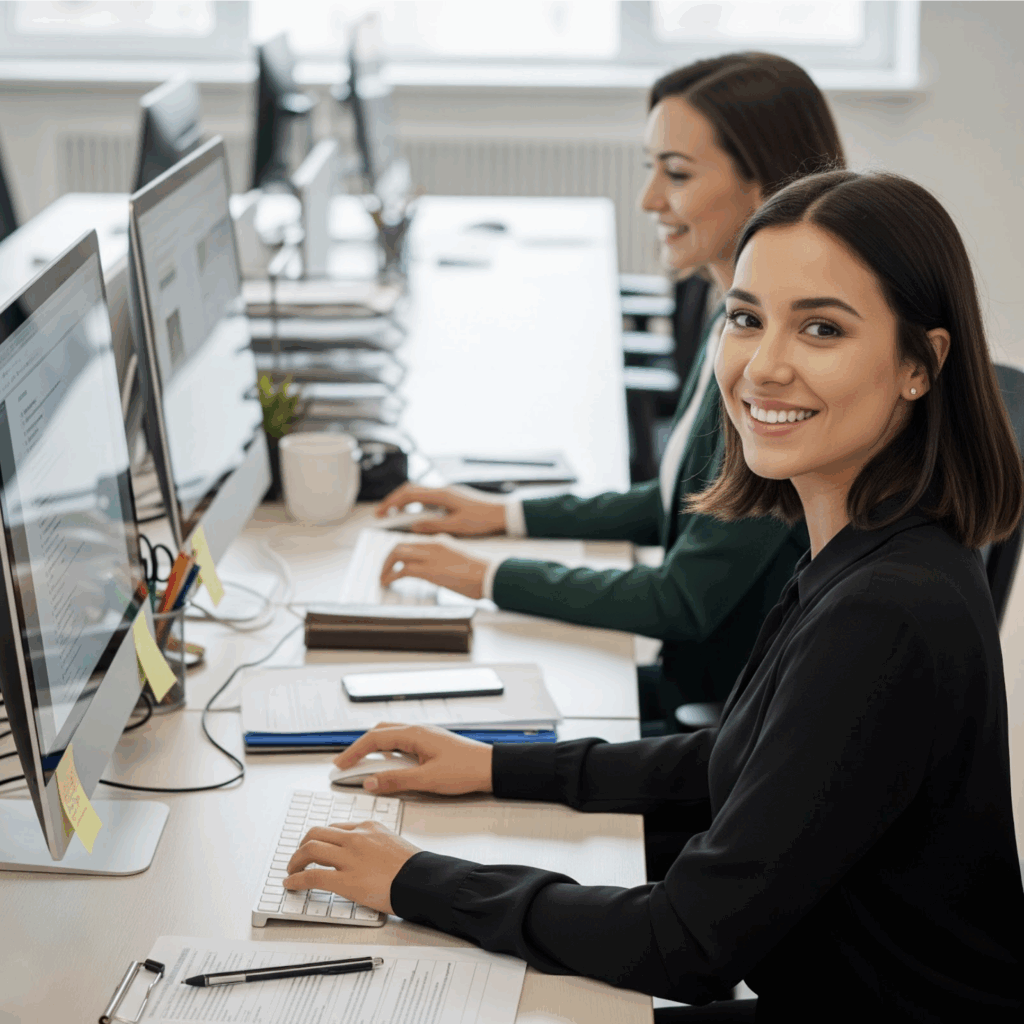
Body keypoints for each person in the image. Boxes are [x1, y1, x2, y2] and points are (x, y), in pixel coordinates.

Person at [284, 170, 1024, 1021]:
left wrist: (415, 880)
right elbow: (729, 758)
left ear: (920, 367)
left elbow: (686, 945)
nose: (765, 366)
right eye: (747, 319)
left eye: (821, 328)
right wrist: (494, 764)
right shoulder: (867, 542)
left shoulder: (885, 609)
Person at [373, 53, 846, 732]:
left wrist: (485, 578)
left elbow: (681, 600)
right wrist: (504, 517)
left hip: (726, 725)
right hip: (696, 688)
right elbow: (677, 502)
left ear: (767, 184)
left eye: (676, 174)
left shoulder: (776, 373)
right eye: (650, 168)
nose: (650, 199)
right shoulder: (730, 316)